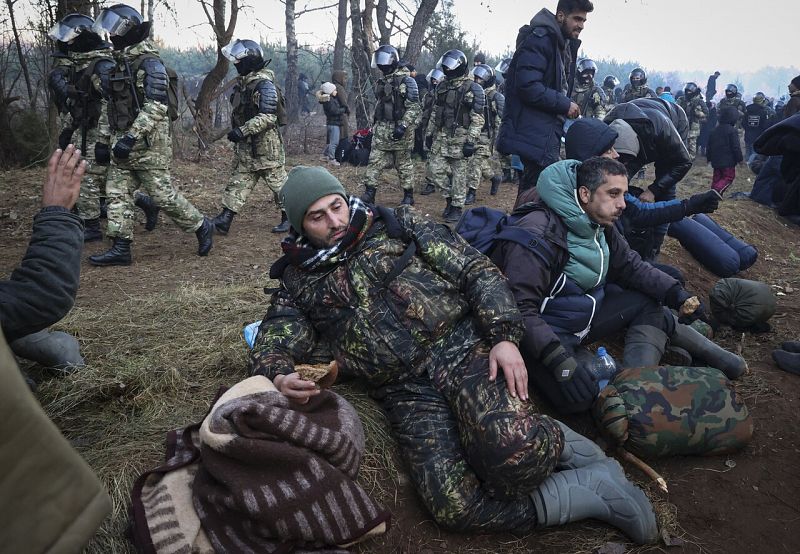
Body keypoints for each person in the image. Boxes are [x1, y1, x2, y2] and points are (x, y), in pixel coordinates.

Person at [249, 165, 659, 544]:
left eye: (336, 206)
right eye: (317, 216)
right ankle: (590, 491)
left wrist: (503, 336)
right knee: (453, 507)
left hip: (462, 349)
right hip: (403, 390)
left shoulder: (397, 226)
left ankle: (557, 442)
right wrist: (280, 374)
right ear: (300, 224)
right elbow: (274, 340)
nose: (335, 221)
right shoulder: (299, 280)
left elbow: (476, 271)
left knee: (514, 459)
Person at [492, 157, 709, 415]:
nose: (622, 204)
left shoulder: (599, 223)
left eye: (624, 194)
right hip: (546, 334)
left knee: (649, 301)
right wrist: (557, 359)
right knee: (578, 399)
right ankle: (599, 373)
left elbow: (630, 265)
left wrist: (677, 294)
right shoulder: (538, 232)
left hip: (584, 318)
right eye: (614, 194)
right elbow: (517, 307)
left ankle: (636, 381)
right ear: (585, 193)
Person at [88, 4, 213, 266]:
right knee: (116, 193)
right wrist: (102, 140)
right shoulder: (119, 64)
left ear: (128, 31)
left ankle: (202, 225)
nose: (111, 35)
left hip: (148, 145)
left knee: (163, 196)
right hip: (121, 142)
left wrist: (131, 137)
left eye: (115, 30)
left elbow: (156, 106)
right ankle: (121, 247)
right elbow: (109, 106)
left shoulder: (151, 64)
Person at [497, 0, 593, 205]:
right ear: (560, 16)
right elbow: (528, 85)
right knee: (532, 195)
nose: (581, 25)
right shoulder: (540, 40)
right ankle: (518, 234)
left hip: (543, 133)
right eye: (577, 18)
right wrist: (565, 104)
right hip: (533, 133)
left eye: (584, 20)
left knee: (533, 194)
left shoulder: (560, 43)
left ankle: (521, 232)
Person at [47, 13, 119, 244]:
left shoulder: (101, 66)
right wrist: (69, 129)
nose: (65, 43)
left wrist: (103, 141)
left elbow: (112, 103)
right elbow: (81, 103)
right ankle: (146, 203)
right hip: (85, 128)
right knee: (99, 177)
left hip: (99, 130)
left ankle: (92, 227)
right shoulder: (83, 65)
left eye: (69, 38)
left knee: (88, 175)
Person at [211, 39, 289, 235]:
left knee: (279, 185)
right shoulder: (247, 84)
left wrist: (242, 131)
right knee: (239, 181)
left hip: (266, 147)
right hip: (248, 148)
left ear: (248, 61)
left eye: (238, 61)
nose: (236, 65)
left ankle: (292, 218)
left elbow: (268, 117)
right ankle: (225, 219)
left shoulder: (264, 85)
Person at [603, 97, 691, 261]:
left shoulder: (663, 129)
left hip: (674, 120)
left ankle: (654, 246)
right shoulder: (607, 127)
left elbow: (683, 162)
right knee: (616, 182)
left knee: (666, 190)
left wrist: (653, 190)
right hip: (636, 135)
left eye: (628, 160)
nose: (624, 163)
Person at [426, 49, 485, 221]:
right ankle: (449, 199)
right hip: (443, 135)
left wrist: (471, 141)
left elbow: (478, 119)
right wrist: (429, 133)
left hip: (461, 137)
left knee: (460, 174)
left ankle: (457, 207)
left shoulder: (473, 88)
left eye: (451, 66)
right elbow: (435, 113)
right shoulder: (442, 86)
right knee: (434, 170)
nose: (448, 69)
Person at [361, 44, 421, 206]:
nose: (381, 64)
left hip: (401, 131)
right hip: (382, 131)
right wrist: (375, 125)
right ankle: (369, 192)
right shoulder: (382, 81)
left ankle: (408, 195)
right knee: (374, 161)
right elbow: (380, 105)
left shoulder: (408, 81)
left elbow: (414, 108)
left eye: (384, 60)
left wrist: (403, 126)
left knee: (403, 164)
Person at [466, 63, 504, 202]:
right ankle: (494, 178)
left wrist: (497, 141)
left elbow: (500, 120)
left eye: (480, 79)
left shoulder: (496, 97)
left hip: (486, 136)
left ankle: (472, 192)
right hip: (471, 133)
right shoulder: (472, 93)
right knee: (475, 162)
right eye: (475, 78)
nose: (477, 81)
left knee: (475, 163)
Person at [706, 106, 744, 197]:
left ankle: (713, 193)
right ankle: (716, 191)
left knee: (717, 178)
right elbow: (736, 147)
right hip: (728, 161)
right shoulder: (732, 131)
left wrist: (709, 157)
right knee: (728, 177)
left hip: (716, 160)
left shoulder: (714, 130)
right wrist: (740, 159)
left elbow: (709, 146)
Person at [419, 68, 445, 191]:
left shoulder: (443, 95)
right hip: (427, 128)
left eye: (437, 80)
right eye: (433, 79)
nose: (434, 82)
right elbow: (422, 109)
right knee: (430, 156)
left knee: (437, 157)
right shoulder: (428, 95)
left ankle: (436, 182)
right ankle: (431, 182)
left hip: (440, 131)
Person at [317, 82, 346, 166]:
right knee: (334, 142)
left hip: (331, 123)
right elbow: (334, 111)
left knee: (331, 142)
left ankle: (324, 155)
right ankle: (331, 159)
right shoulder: (329, 101)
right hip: (334, 124)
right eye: (334, 90)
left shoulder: (328, 100)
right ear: (330, 91)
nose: (336, 92)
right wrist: (343, 109)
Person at [676, 82, 709, 159]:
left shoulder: (699, 101)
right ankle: (681, 157)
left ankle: (691, 158)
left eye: (689, 91)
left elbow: (706, 113)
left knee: (692, 143)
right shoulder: (681, 99)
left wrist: (698, 113)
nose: (688, 93)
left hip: (693, 125)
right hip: (682, 124)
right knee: (681, 142)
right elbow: (674, 107)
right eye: (687, 91)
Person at [744, 92, 775, 160]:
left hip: (748, 136)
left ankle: (745, 168)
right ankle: (750, 168)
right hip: (758, 137)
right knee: (754, 155)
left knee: (748, 153)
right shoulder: (764, 112)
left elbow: (744, 123)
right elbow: (765, 126)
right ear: (763, 101)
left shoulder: (747, 110)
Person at [331, 69, 351, 139]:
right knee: (342, 137)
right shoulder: (339, 88)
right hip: (341, 116)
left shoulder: (332, 87)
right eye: (344, 79)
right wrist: (348, 110)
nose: (346, 81)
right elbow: (343, 102)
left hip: (334, 117)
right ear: (339, 78)